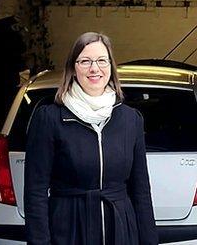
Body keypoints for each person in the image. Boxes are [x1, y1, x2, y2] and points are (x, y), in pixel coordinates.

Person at [24, 32, 158, 245]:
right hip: (68, 229)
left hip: (121, 230)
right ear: (73, 68)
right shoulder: (50, 118)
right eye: (85, 61)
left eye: (102, 61)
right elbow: (35, 191)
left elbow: (141, 189)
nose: (94, 68)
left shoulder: (131, 119)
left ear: (111, 67)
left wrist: (149, 240)